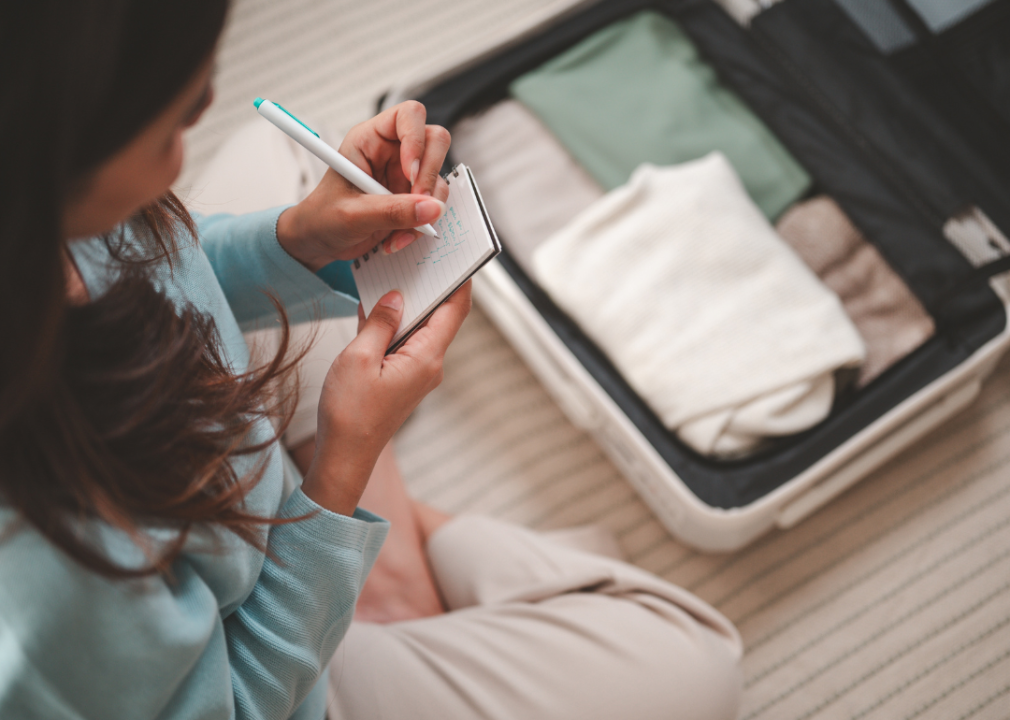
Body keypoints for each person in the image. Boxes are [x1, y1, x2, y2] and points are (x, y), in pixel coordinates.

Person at [0, 2, 743, 719]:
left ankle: (365, 556)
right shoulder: (50, 583)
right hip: (263, 664)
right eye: (170, 109)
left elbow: (162, 266)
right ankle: (381, 579)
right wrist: (341, 474)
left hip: (219, 476)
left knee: (289, 152)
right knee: (697, 658)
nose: (204, 107)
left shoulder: (42, 209)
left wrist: (300, 240)